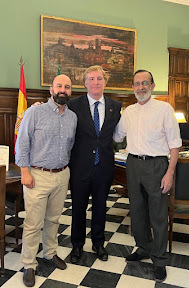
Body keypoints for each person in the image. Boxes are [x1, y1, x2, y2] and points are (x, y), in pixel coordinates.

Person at [114, 69, 182, 282]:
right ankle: (143, 247)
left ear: (152, 85)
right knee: (137, 211)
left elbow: (175, 145)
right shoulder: (129, 112)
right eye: (137, 83)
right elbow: (116, 135)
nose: (141, 87)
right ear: (132, 87)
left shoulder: (164, 109)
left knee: (158, 215)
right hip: (133, 164)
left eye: (145, 83)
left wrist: (169, 173)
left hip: (157, 167)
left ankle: (159, 260)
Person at [15, 74, 77, 287]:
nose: (63, 89)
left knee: (53, 219)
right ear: (51, 89)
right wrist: (25, 171)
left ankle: (50, 253)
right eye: (59, 85)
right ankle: (29, 264)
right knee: (33, 223)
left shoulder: (72, 117)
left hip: (62, 175)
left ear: (70, 91)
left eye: (67, 87)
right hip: (37, 175)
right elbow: (22, 143)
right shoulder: (34, 112)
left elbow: (71, 147)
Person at [68, 65, 121, 263]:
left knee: (100, 207)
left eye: (99, 78)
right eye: (91, 79)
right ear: (84, 83)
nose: (95, 82)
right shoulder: (74, 104)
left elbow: (118, 134)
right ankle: (77, 245)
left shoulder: (115, 106)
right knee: (78, 207)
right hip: (80, 166)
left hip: (104, 167)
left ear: (105, 82)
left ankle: (98, 244)